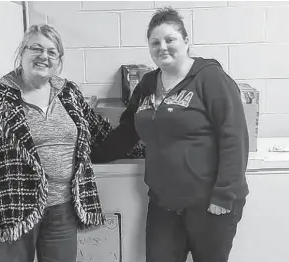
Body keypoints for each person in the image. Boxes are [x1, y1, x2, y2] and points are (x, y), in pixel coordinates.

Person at [0, 24, 142, 262]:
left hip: (62, 208)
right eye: (36, 48)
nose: (44, 56)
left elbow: (100, 132)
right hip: (13, 210)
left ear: (58, 59)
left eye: (52, 52)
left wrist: (146, 146)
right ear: (22, 52)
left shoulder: (68, 93)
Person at [93, 7, 249, 262]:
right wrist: (91, 156)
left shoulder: (211, 78)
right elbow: (127, 133)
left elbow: (234, 138)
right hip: (163, 204)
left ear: (186, 41)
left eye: (170, 39)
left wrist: (223, 196)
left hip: (209, 204)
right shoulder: (146, 84)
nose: (162, 47)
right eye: (155, 42)